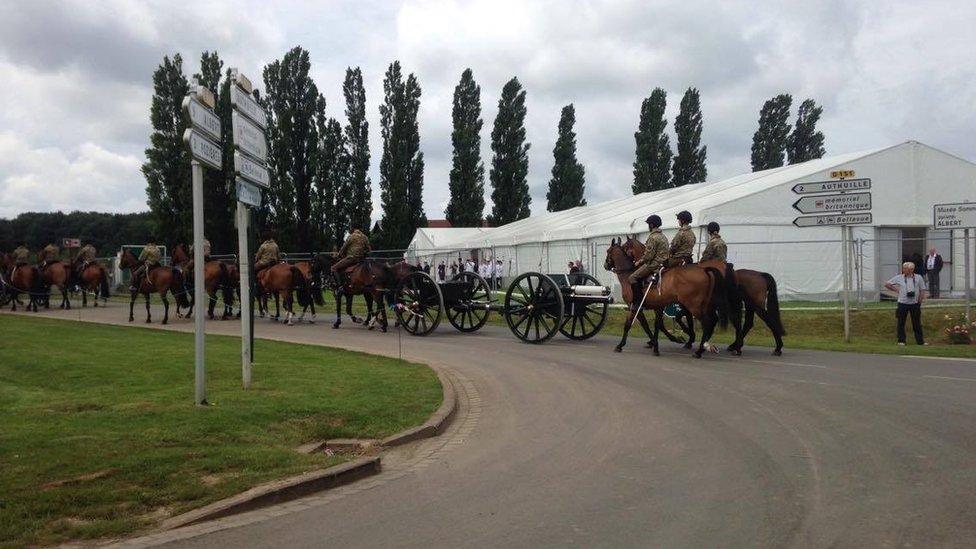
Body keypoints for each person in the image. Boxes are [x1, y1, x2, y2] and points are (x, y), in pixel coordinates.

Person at [627, 214, 669, 309]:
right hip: (664, 263)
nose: (648, 226)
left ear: (651, 225)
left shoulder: (653, 237)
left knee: (632, 277)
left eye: (649, 224)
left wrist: (639, 262)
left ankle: (638, 302)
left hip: (654, 264)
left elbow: (649, 256)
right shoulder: (663, 236)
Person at [885, 261, 928, 346]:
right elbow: (887, 284)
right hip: (902, 303)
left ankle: (920, 341)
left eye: (906, 269)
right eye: (904, 268)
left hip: (914, 303)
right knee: (901, 322)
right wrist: (897, 290)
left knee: (917, 323)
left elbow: (922, 289)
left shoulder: (918, 277)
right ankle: (901, 340)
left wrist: (920, 300)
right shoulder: (899, 277)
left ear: (911, 270)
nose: (904, 270)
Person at [330, 225, 371, 290]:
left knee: (333, 268)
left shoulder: (351, 237)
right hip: (361, 260)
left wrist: (339, 255)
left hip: (351, 259)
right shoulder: (365, 237)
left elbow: (344, 247)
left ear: (352, 229)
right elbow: (369, 250)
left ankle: (340, 286)